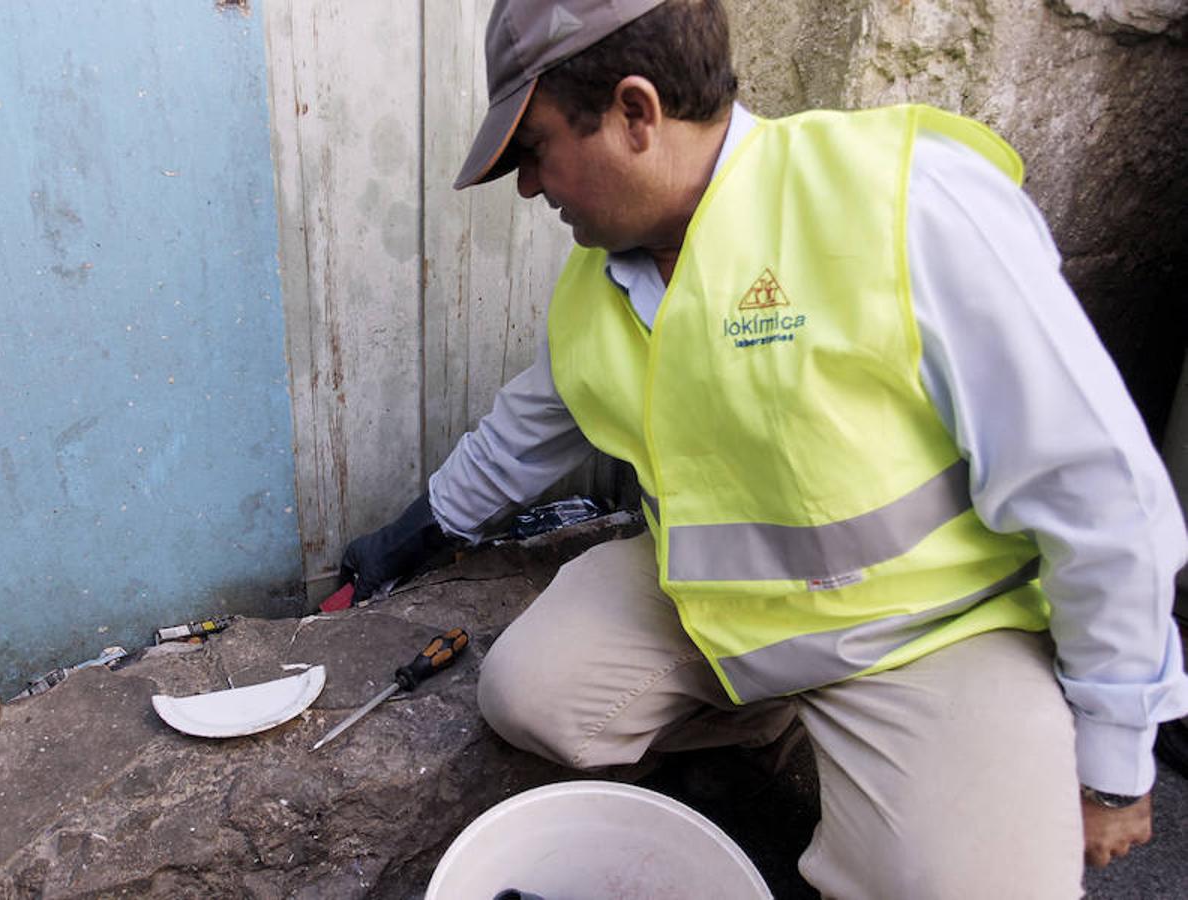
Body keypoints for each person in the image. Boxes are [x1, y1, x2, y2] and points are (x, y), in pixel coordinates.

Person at [338, 1, 1188, 894]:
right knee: (532, 696)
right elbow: (524, 434)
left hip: (929, 634)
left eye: (534, 148)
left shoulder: (903, 200)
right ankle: (770, 722)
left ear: (636, 114)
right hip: (718, 612)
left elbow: (1096, 492)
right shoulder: (603, 279)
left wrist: (1116, 758)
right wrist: (416, 532)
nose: (526, 185)